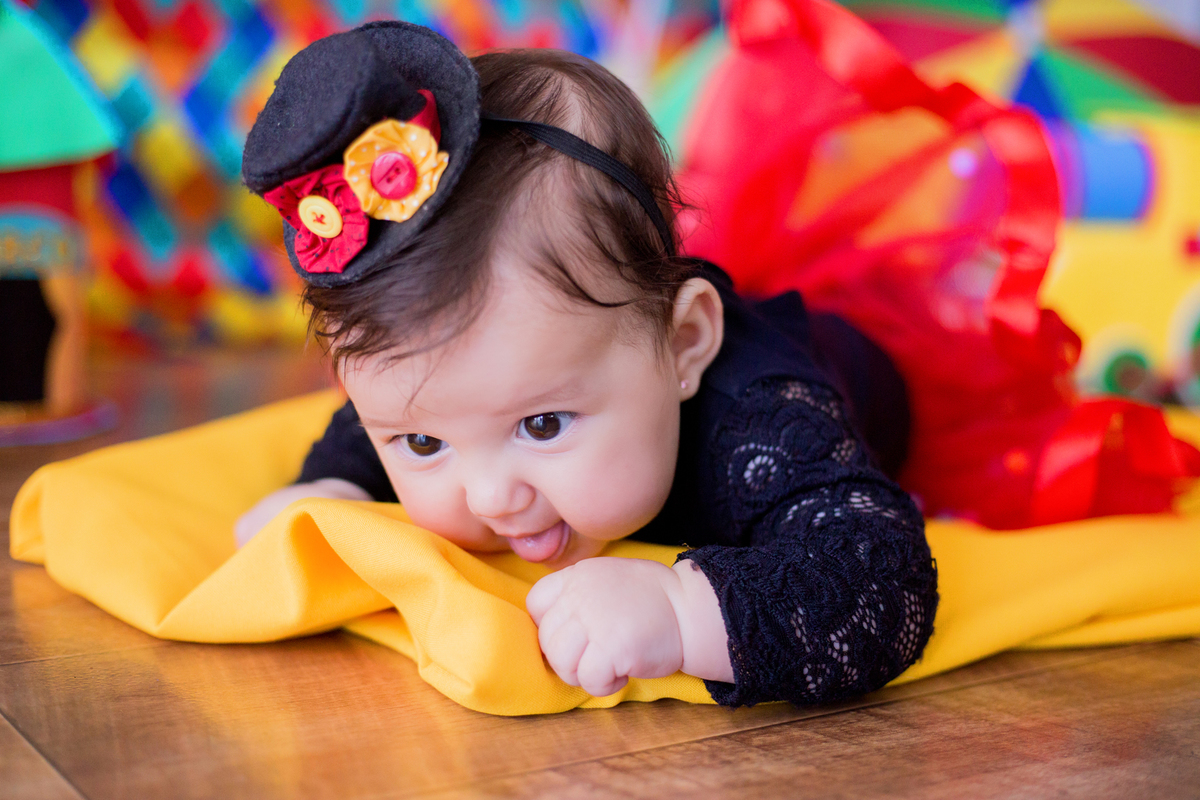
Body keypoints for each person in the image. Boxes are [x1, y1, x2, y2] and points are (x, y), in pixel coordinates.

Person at [236, 20, 937, 707]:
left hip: (862, 367)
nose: (489, 497)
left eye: (541, 424)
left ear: (684, 343)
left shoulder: (759, 421)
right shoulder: (467, 390)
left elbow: (880, 581)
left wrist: (683, 611)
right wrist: (327, 490)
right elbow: (374, 422)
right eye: (425, 443)